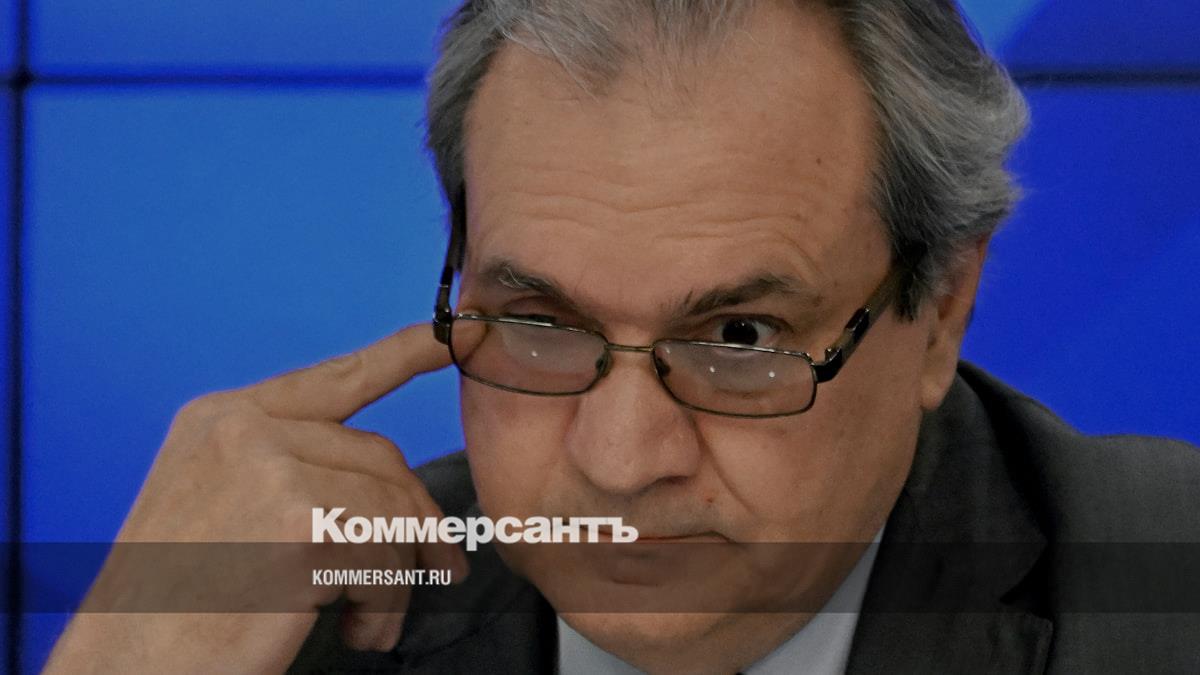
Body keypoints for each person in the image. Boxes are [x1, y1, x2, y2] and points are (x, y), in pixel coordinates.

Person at [46, 1, 1199, 673]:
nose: (618, 459)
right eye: (541, 323)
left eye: (740, 334)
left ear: (941, 309)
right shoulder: (292, 624)